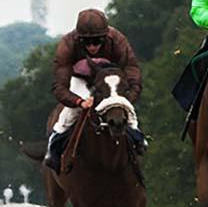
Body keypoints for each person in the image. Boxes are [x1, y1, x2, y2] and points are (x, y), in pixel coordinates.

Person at [43, 9, 144, 172]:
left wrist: (128, 97)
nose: (92, 46)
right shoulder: (67, 44)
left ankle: (138, 138)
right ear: (78, 38)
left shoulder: (117, 39)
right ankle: (53, 149)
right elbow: (59, 86)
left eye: (97, 41)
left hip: (109, 80)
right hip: (81, 79)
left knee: (125, 109)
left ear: (105, 36)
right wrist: (79, 102)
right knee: (67, 115)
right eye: (87, 42)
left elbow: (131, 68)